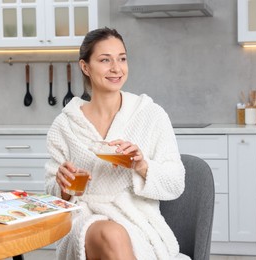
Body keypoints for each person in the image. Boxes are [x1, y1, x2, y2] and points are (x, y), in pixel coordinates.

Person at [45, 27, 189, 260]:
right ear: (85, 67)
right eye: (105, 60)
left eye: (122, 59)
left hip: (136, 220)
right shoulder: (65, 125)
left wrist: (142, 166)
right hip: (84, 218)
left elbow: (175, 183)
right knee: (111, 234)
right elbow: (52, 196)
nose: (116, 68)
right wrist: (63, 187)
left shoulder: (150, 115)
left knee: (117, 236)